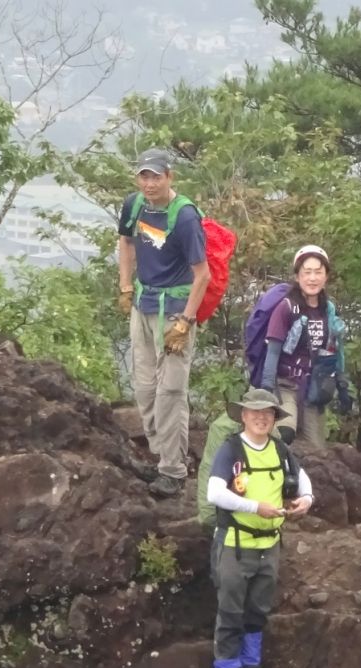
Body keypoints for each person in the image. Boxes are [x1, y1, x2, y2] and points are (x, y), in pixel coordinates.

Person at [206, 388, 314, 668]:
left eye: (267, 412)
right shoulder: (232, 449)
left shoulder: (280, 450)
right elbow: (214, 491)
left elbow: (304, 482)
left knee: (257, 615)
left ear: (274, 418)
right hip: (235, 545)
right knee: (231, 615)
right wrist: (256, 507)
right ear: (243, 415)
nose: (261, 417)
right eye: (254, 412)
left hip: (269, 547)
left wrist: (306, 501)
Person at [118, 148, 210, 497]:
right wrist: (125, 285)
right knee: (144, 387)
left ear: (170, 176)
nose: (149, 183)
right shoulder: (134, 205)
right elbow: (126, 241)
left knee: (171, 391)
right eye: (144, 176)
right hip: (143, 305)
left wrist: (185, 322)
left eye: (156, 176)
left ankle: (172, 471)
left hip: (175, 309)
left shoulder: (184, 217)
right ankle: (163, 456)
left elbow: (202, 275)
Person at [259, 245, 351, 447]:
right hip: (286, 384)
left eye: (318, 272)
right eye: (307, 272)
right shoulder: (286, 307)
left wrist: (343, 385)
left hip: (315, 387)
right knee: (285, 433)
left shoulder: (328, 309)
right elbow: (272, 352)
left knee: (317, 449)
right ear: (297, 276)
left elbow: (337, 349)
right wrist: (267, 391)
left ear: (326, 276)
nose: (312, 278)